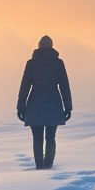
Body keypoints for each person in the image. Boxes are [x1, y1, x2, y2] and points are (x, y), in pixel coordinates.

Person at [16, 35, 72, 169]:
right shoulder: (58, 63)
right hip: (54, 105)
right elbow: (64, 85)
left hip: (34, 104)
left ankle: (39, 166)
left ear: (39, 46)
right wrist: (68, 107)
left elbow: (25, 86)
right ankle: (48, 165)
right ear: (51, 46)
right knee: (51, 138)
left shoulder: (31, 63)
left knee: (37, 139)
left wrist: (20, 107)